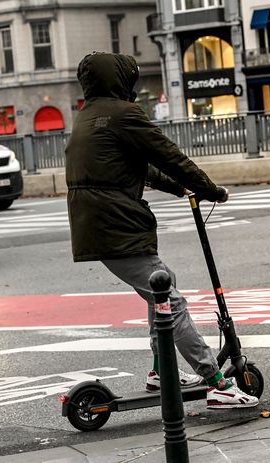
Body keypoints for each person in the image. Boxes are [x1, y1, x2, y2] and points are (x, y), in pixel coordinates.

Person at [64, 51, 258, 410]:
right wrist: (210, 189)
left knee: (161, 285)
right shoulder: (124, 114)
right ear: (119, 81)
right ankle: (216, 382)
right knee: (171, 299)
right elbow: (169, 155)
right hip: (117, 226)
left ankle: (159, 371)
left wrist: (178, 187)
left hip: (101, 227)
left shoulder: (88, 118)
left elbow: (138, 167)